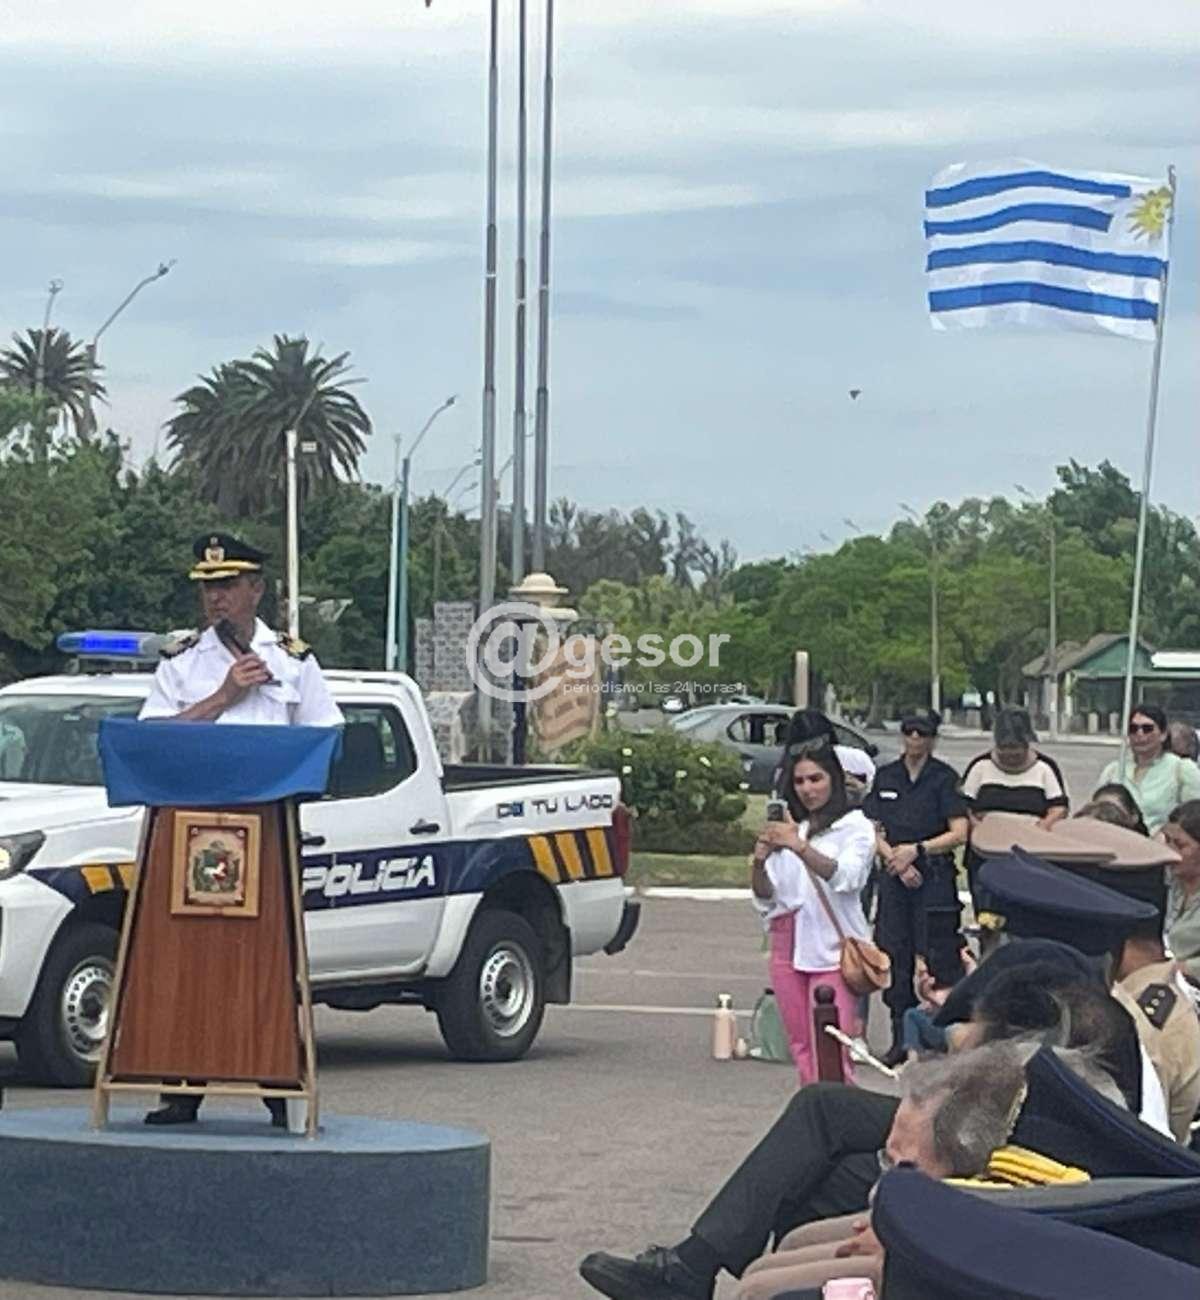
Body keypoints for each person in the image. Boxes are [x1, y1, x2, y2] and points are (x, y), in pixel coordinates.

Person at [578, 873, 1157, 1300]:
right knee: (822, 1115)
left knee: (823, 1162)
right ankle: (694, 1265)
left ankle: (698, 1267)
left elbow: (1001, 1096)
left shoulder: (1090, 1019)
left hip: (1014, 1173)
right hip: (1007, 1151)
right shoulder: (1092, 1004)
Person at [140, 533, 344, 1127]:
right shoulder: (181, 661)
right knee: (189, 958)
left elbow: (326, 738)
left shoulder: (293, 660)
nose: (216, 598)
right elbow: (153, 742)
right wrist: (223, 697)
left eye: (227, 585)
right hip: (191, 833)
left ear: (256, 590)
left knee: (268, 962)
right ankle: (182, 1086)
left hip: (268, 832)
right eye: (208, 587)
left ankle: (279, 1085)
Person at [752, 742, 875, 1084]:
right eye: (800, 781)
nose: (807, 789)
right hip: (787, 942)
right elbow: (767, 896)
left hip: (832, 950)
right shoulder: (795, 828)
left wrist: (800, 848)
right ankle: (813, 1108)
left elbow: (847, 878)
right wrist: (760, 860)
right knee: (801, 1046)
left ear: (834, 779)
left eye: (815, 779)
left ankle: (838, 1109)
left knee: (831, 1048)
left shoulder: (855, 828)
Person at [862, 708, 968, 1067]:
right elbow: (872, 827)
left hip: (933, 876)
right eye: (909, 731)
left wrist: (918, 850)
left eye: (922, 733)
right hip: (895, 877)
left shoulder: (944, 778)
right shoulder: (887, 776)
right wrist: (895, 858)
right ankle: (899, 1039)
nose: (915, 739)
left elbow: (959, 832)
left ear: (933, 738)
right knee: (895, 953)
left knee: (938, 956)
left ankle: (938, 1036)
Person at [961, 706, 1069, 908]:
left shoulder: (1045, 768)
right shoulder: (980, 766)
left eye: (1016, 747)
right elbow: (963, 806)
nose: (1010, 754)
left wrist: (1041, 829)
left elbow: (1059, 808)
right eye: (1004, 748)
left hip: (1030, 856)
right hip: (987, 856)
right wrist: (978, 828)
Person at [1098, 705, 1200, 835]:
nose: (1139, 734)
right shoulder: (1113, 770)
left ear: (1163, 734)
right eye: (1133, 729)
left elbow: (1194, 817)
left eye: (1147, 729)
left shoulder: (1181, 769)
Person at [1164, 800, 1200, 990]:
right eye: (1167, 841)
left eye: (1180, 845)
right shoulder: (1165, 881)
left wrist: (1183, 969)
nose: (1170, 851)